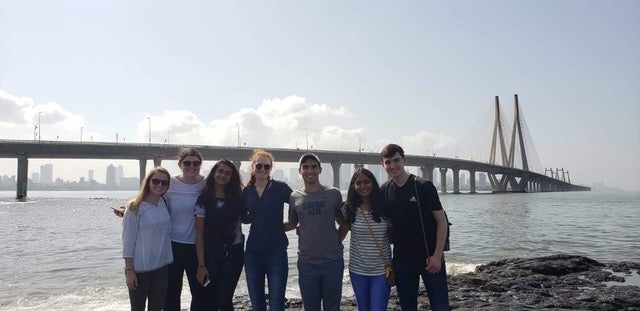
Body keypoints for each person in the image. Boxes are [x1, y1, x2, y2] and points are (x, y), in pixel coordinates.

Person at [115, 148, 206, 310]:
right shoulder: (170, 184)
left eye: (196, 163)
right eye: (187, 162)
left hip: (196, 247)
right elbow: (148, 199)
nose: (191, 166)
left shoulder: (206, 185)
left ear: (200, 164)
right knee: (170, 296)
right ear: (180, 164)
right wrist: (129, 210)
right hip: (172, 247)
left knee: (200, 293)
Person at [379, 144, 450, 311]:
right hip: (402, 262)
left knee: (440, 307)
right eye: (388, 162)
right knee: (407, 307)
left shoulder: (423, 186)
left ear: (404, 160)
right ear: (382, 164)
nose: (393, 166)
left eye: (396, 160)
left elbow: (442, 222)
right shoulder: (384, 190)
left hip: (430, 259)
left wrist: (437, 256)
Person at [285, 152, 347, 311]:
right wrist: (266, 225)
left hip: (332, 262)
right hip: (307, 264)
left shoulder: (333, 193)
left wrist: (335, 241)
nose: (309, 170)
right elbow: (292, 223)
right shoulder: (294, 197)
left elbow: (344, 223)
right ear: (300, 171)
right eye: (305, 167)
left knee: (332, 308)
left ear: (320, 169)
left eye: (313, 167)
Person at [242, 150, 293, 311]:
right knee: (257, 304)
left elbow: (299, 204)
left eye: (266, 166)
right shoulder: (247, 191)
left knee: (277, 304)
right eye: (259, 166)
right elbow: (244, 218)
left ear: (271, 168)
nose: (262, 170)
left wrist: (291, 225)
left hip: (276, 252)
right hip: (252, 253)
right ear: (253, 167)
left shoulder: (281, 188)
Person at [195, 159, 245, 310]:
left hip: (234, 255)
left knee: (225, 298)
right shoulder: (204, 199)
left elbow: (251, 216)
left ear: (232, 177)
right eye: (220, 171)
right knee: (210, 299)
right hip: (211, 255)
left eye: (228, 173)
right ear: (214, 173)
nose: (223, 175)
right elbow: (199, 234)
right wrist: (201, 265)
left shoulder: (237, 197)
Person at [122, 167, 173, 311]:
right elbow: (127, 241)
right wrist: (129, 270)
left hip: (161, 267)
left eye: (164, 183)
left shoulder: (164, 203)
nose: (160, 185)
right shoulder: (134, 207)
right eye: (156, 181)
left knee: (157, 308)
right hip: (139, 268)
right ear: (148, 182)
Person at [341, 168, 392, 311]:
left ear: (373, 183)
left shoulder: (385, 208)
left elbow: (394, 237)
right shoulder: (348, 209)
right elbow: (339, 234)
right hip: (357, 269)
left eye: (367, 182)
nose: (363, 186)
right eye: (358, 183)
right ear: (353, 186)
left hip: (382, 270)